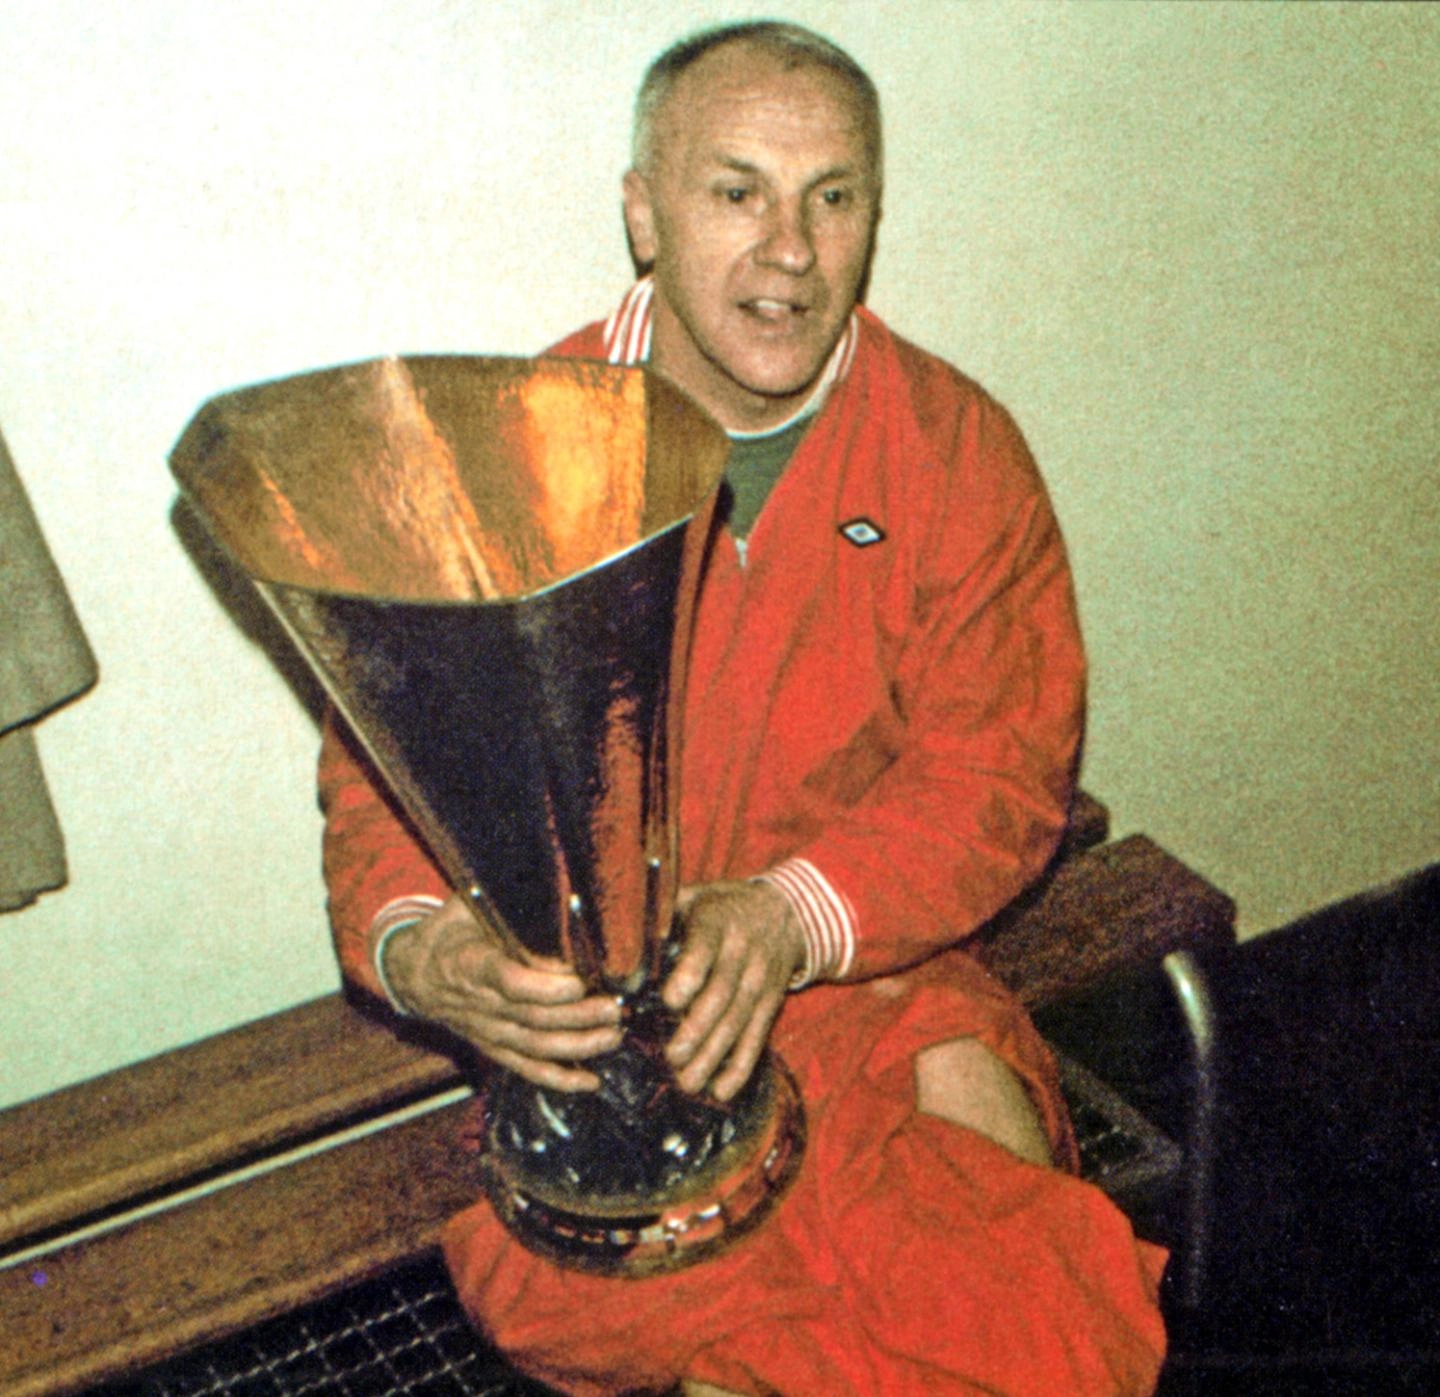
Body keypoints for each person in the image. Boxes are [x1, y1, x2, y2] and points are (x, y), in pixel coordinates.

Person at [321, 20, 1167, 1396]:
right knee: (691, 1326)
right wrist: (430, 959)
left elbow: (1000, 774)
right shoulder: (510, 453)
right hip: (611, 1026)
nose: (791, 249)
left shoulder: (954, 452)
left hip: (868, 960)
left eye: (833, 198)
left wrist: (788, 916)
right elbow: (387, 773)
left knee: (1010, 1241)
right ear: (643, 213)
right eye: (737, 192)